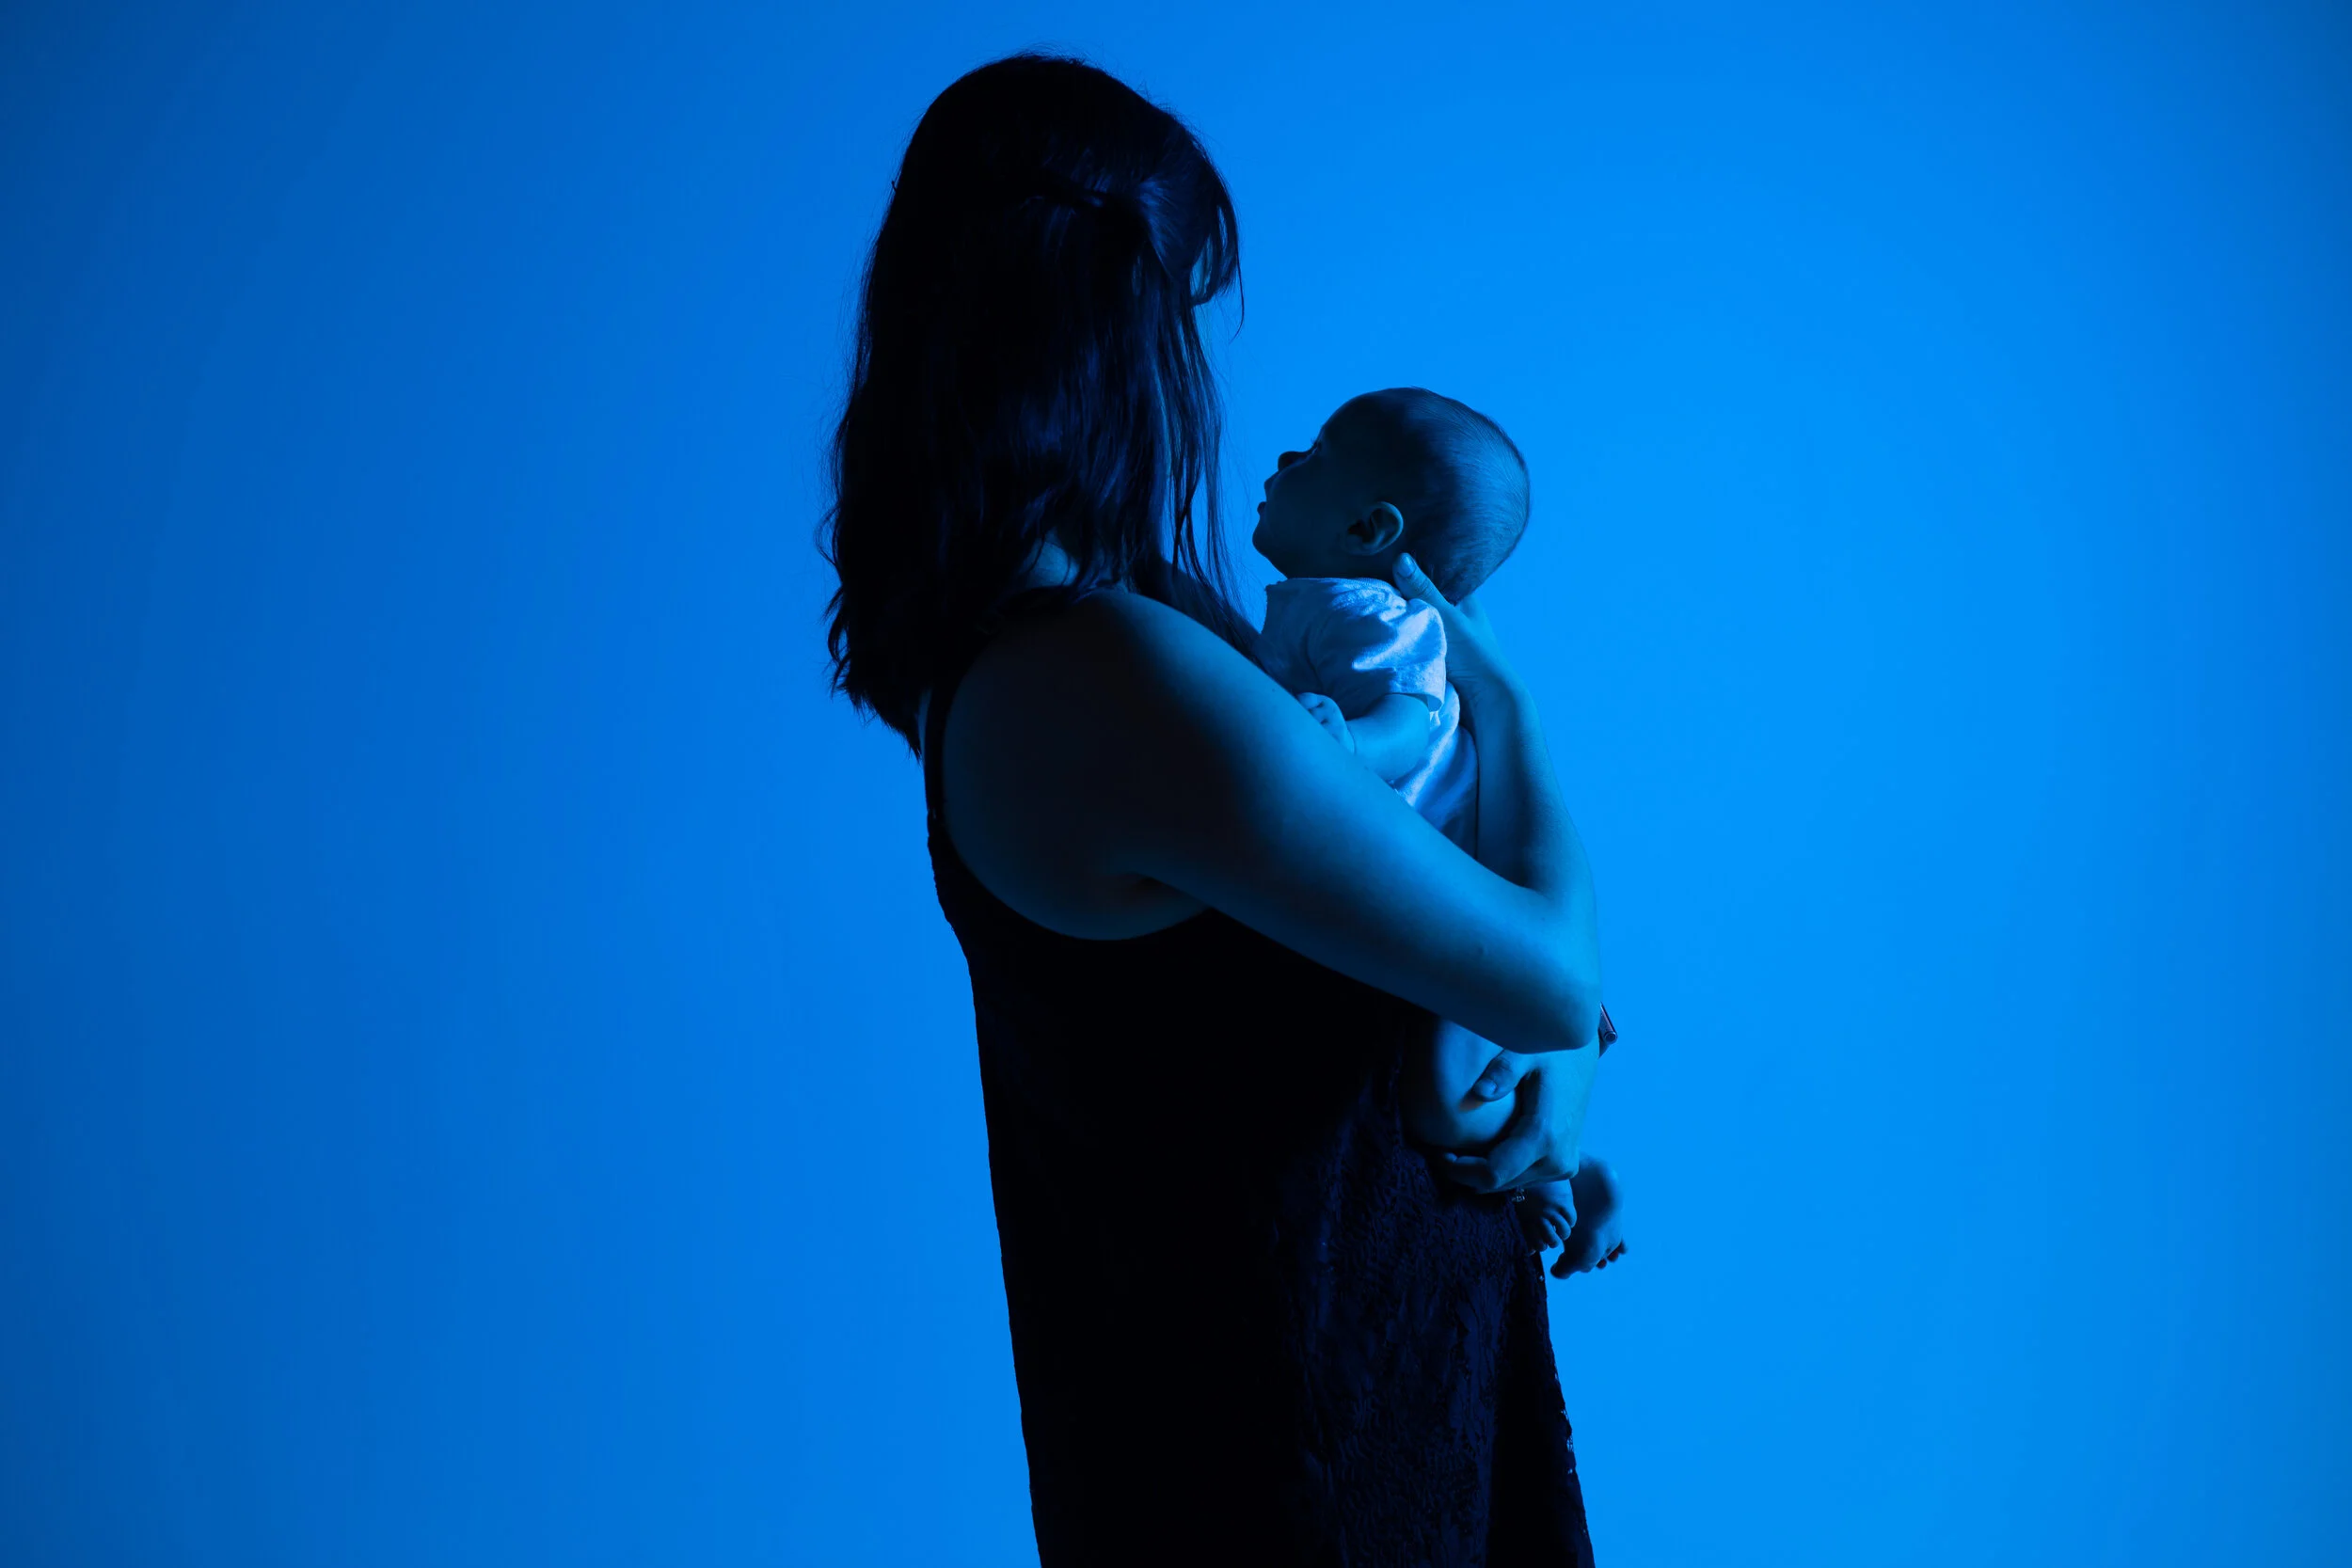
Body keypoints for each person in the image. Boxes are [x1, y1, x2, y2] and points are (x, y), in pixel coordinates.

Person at [824, 53, 1613, 1564]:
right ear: (1112, 327)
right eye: (1185, 315)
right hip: (1308, 1478)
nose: (1197, 376)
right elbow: (1549, 977)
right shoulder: (1108, 677)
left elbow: (1448, 957)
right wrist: (1512, 716)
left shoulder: (1124, 645)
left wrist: (1544, 1098)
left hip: (1373, 1415)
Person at [1252, 386, 1629, 1280]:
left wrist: (1352, 744)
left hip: (1461, 892)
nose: (1284, 461)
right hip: (1440, 901)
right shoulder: (1321, 604)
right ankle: (1565, 1174)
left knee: (1443, 1098)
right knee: (1451, 1079)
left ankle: (1573, 1174)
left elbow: (1416, 712)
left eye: (1314, 452)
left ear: (1368, 529)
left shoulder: (1365, 609)